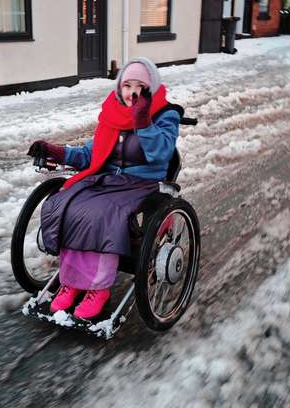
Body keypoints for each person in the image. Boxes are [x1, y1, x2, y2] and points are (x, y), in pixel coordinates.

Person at [27, 57, 181, 320]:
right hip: (108, 181)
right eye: (127, 85)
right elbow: (91, 154)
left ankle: (98, 289)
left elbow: (161, 153)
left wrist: (143, 121)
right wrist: (59, 152)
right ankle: (72, 282)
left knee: (102, 214)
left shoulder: (166, 114)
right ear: (119, 87)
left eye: (140, 86)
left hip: (141, 184)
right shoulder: (112, 114)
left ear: (151, 88)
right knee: (69, 204)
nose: (132, 91)